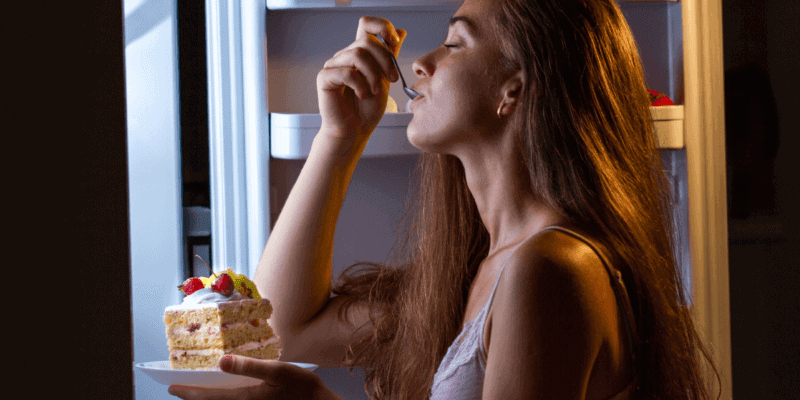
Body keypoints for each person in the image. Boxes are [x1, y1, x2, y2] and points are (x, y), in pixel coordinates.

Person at [169, 0, 719, 399]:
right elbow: (280, 333)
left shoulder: (550, 270)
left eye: (455, 42)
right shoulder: (475, 273)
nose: (419, 64)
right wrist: (338, 141)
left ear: (515, 90)